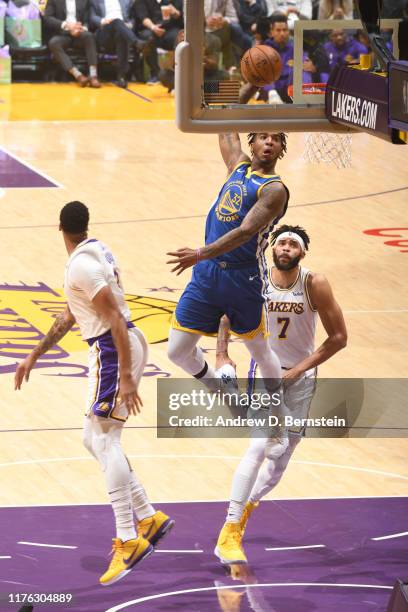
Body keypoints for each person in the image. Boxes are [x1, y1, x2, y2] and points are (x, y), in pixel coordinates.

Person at [14, 201, 174, 586]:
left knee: (104, 439)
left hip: (112, 348)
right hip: (110, 347)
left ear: (59, 227)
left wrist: (129, 379)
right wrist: (33, 356)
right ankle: (148, 515)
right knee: (93, 439)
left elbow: (115, 318)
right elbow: (70, 315)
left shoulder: (83, 265)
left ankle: (129, 537)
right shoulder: (93, 253)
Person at [167, 133, 290, 562]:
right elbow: (225, 129)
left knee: (259, 351)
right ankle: (232, 400)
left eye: (277, 141)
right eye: (264, 139)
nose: (269, 144)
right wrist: (226, 87)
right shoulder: (237, 165)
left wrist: (200, 251)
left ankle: (273, 410)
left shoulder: (274, 190)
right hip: (206, 278)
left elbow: (244, 231)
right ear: (253, 144)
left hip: (242, 280)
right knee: (177, 352)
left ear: (280, 150)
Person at [215, 224, 347, 562]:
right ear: (272, 249)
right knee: (260, 446)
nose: (286, 248)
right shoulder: (256, 279)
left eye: (293, 244)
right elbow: (225, 313)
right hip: (266, 373)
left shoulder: (314, 283)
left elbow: (338, 338)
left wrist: (299, 370)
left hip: (301, 377)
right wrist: (221, 353)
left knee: (279, 460)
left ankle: (247, 507)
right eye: (282, 243)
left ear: (302, 253)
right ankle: (230, 528)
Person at [89, 0, 148, 88]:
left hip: (121, 31)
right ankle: (136, 42)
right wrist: (103, 21)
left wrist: (130, 25)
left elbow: (132, 18)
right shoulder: (96, 1)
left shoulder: (126, 1)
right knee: (117, 21)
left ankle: (121, 77)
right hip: (104, 32)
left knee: (121, 34)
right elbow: (92, 17)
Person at [44, 0, 101, 87]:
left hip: (79, 32)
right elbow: (48, 18)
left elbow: (88, 19)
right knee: (53, 43)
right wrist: (66, 25)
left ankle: (93, 75)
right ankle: (78, 75)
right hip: (62, 33)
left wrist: (82, 28)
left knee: (89, 37)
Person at [134, 0, 183, 85]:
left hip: (169, 29)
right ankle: (155, 73)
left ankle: (177, 73)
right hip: (150, 29)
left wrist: (176, 13)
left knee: (179, 38)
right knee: (147, 38)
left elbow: (181, 17)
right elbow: (143, 17)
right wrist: (153, 27)